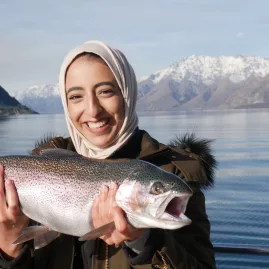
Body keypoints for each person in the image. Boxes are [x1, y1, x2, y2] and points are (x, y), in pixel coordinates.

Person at [0, 40, 217, 269]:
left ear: (127, 94)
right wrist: (8, 247)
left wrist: (143, 243)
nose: (93, 110)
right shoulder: (36, 170)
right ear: (65, 104)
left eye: (105, 91)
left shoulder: (175, 172)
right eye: (76, 96)